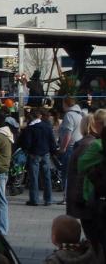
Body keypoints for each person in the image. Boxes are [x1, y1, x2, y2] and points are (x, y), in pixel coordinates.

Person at [66, 113, 101, 251]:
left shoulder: (87, 145)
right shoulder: (89, 144)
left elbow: (81, 175)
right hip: (86, 197)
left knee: (92, 236)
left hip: (85, 198)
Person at [78, 109, 106, 257]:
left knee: (97, 240)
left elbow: (81, 165)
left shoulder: (96, 145)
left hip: (97, 198)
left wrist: (93, 172)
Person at [19, 108, 57, 206]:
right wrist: (53, 151)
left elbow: (27, 143)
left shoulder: (30, 128)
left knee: (34, 177)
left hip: (34, 153)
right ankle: (48, 199)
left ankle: (34, 199)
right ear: (39, 116)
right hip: (45, 153)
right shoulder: (47, 126)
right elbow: (52, 141)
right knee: (47, 176)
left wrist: (26, 150)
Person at [57, 97, 83, 204]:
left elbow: (68, 134)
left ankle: (66, 197)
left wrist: (63, 148)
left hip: (70, 147)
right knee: (75, 173)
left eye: (63, 103)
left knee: (67, 173)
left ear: (66, 103)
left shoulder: (69, 115)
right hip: (79, 145)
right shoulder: (80, 115)